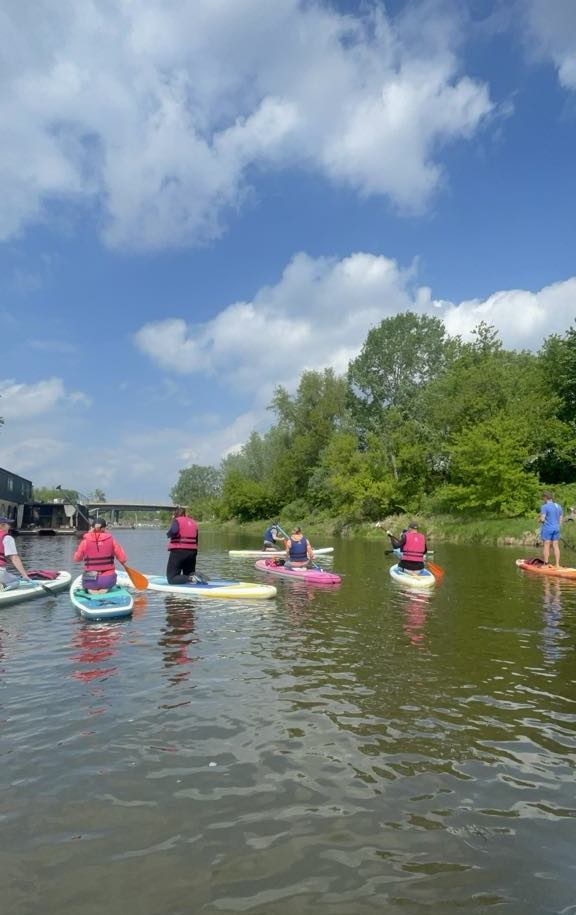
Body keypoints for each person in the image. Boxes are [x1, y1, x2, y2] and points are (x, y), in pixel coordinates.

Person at [73, 517, 127, 592]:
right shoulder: (112, 541)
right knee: (107, 581)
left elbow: (76, 559)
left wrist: (89, 535)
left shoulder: (84, 542)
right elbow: (123, 559)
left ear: (92, 528)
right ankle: (104, 590)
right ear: (104, 528)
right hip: (108, 580)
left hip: (90, 581)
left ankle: (92, 590)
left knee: (90, 586)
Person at [166, 507, 201, 584]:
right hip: (192, 552)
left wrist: (169, 534)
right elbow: (196, 539)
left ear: (175, 515)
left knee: (172, 578)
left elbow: (173, 531)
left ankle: (192, 578)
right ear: (185, 514)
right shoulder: (193, 522)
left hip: (179, 551)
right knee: (188, 574)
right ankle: (193, 577)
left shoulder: (177, 520)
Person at [0, 516, 32, 590]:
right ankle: (3, 587)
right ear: (2, 525)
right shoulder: (7, 538)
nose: (10, 526)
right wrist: (25, 575)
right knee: (16, 581)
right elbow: (14, 558)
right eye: (8, 524)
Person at [539, 491, 563, 567]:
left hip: (548, 528)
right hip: (557, 528)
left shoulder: (544, 506)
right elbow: (561, 518)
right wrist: (558, 526)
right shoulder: (558, 506)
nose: (543, 499)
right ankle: (557, 564)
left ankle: (545, 564)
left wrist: (539, 520)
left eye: (543, 498)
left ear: (545, 498)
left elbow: (542, 519)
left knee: (546, 545)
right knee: (556, 545)